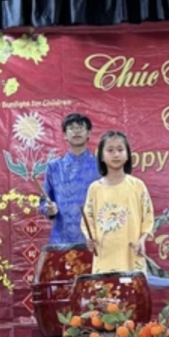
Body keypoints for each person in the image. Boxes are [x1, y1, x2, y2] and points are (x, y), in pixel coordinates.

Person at [81, 132, 155, 273]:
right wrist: (90, 239)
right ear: (101, 156)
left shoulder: (137, 185)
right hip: (105, 256)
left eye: (120, 150)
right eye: (110, 150)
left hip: (132, 255)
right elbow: (87, 220)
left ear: (127, 154)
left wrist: (142, 239)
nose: (116, 154)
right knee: (105, 293)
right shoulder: (95, 189)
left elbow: (148, 217)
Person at [41, 113, 100, 245]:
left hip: (94, 239)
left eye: (80, 127)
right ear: (64, 135)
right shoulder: (54, 167)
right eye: (71, 128)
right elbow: (44, 201)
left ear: (89, 133)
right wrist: (49, 209)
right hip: (61, 238)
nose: (76, 131)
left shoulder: (100, 166)